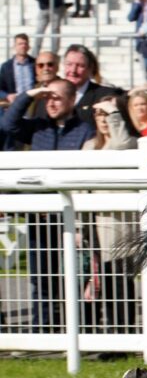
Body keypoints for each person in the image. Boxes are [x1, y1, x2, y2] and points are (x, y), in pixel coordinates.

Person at [2, 78, 92, 331]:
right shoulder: (38, 127)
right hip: (39, 216)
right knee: (41, 277)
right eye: (48, 98)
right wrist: (30, 95)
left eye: (57, 98)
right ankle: (43, 331)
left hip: (70, 216)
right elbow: (7, 124)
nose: (51, 103)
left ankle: (79, 331)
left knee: (74, 277)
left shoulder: (85, 129)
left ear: (72, 100)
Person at [82, 97, 138, 331]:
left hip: (120, 226)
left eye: (109, 115)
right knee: (101, 282)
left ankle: (123, 332)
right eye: (100, 115)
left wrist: (114, 113)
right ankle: (108, 334)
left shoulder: (130, 142)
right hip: (96, 225)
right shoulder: (88, 147)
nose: (104, 120)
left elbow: (120, 144)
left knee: (121, 284)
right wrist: (80, 225)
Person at [63, 44, 119, 128]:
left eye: (80, 66)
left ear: (90, 68)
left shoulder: (105, 95)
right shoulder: (53, 95)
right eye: (69, 64)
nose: (73, 70)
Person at [0, 34, 35, 106]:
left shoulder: (35, 64)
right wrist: (7, 96)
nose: (23, 46)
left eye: (25, 43)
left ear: (29, 46)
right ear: (14, 47)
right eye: (20, 44)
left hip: (33, 105)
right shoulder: (6, 67)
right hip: (14, 105)